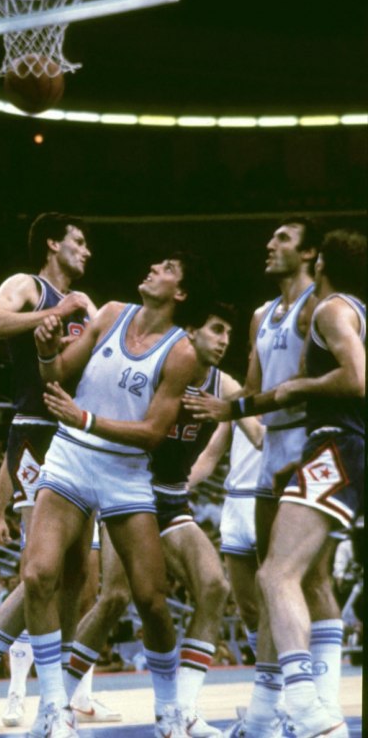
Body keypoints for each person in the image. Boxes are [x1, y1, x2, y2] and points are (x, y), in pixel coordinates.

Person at [21, 253, 213, 737]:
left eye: (167, 268)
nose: (153, 268)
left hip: (125, 472)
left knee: (150, 599)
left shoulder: (181, 352)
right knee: (37, 575)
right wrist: (46, 351)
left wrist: (84, 417)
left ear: (180, 293)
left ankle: (169, 710)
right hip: (71, 457)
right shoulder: (109, 314)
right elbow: (55, 378)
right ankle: (53, 708)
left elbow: (152, 433)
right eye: (155, 263)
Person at [0, 212, 114, 736]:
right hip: (37, 432)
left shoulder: (87, 303)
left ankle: (47, 704)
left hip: (80, 438)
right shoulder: (28, 286)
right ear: (54, 244)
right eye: (79, 242)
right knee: (40, 572)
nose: (87, 251)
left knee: (78, 580)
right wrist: (55, 310)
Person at [188, 228, 365, 737]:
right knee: (276, 581)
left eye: (283, 238)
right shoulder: (264, 315)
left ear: (313, 255)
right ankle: (267, 713)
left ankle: (314, 705)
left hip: (320, 440)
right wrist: (232, 410)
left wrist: (289, 390)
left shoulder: (324, 307)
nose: (269, 244)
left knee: (298, 578)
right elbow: (261, 389)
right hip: (282, 449)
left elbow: (343, 379)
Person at [60, 305, 254, 737]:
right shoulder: (162, 366)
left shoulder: (224, 386)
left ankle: (182, 710)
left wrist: (261, 423)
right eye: (217, 329)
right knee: (114, 598)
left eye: (229, 333)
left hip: (170, 499)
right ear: (191, 332)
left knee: (214, 586)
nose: (224, 340)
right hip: (129, 491)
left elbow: (250, 431)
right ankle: (60, 702)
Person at [188, 414, 265, 662]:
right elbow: (210, 455)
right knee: (248, 610)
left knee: (277, 601)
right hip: (236, 503)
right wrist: (179, 485)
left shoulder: (287, 399)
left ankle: (291, 677)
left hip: (271, 499)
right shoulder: (236, 407)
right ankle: (268, 676)